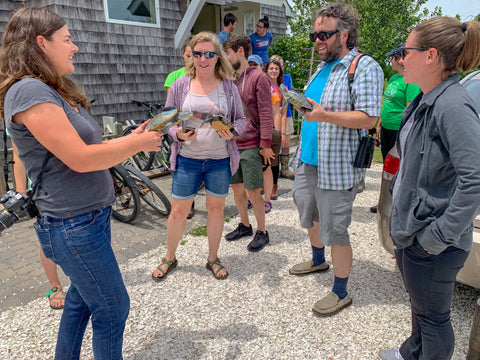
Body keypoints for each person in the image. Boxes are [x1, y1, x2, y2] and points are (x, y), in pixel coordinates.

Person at [0, 7, 164, 359]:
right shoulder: (28, 91)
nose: (74, 47)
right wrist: (137, 145)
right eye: (67, 39)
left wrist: (129, 139)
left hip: (87, 218)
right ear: (41, 44)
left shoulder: (47, 89)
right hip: (73, 224)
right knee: (113, 307)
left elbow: (89, 149)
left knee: (81, 299)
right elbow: (79, 158)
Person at [379, 17, 480, 360]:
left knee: (434, 320)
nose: (401, 58)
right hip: (415, 232)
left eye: (406, 51)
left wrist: (436, 238)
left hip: (434, 241)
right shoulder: (426, 99)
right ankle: (412, 353)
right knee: (420, 310)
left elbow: (475, 179)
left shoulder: (453, 105)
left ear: (431, 56)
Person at [288, 2, 384, 316]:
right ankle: (318, 260)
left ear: (344, 34)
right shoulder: (321, 67)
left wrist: (324, 114)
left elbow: (369, 118)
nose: (316, 40)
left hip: (337, 167)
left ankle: (340, 291)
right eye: (314, 34)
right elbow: (314, 112)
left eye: (324, 34)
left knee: (337, 229)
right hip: (309, 160)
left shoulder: (364, 66)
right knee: (309, 215)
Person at [151, 32, 246, 281]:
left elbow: (242, 120)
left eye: (209, 54)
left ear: (218, 57)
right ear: (191, 56)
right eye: (198, 54)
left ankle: (212, 258)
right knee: (178, 211)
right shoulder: (181, 84)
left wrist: (233, 132)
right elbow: (167, 119)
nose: (203, 59)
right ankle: (169, 257)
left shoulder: (228, 86)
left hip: (219, 160)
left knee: (216, 211)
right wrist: (177, 135)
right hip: (187, 159)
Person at [223, 34, 274, 252]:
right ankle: (245, 224)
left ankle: (262, 231)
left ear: (240, 50)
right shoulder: (230, 79)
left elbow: (265, 112)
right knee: (236, 188)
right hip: (233, 144)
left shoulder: (258, 77)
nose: (225, 57)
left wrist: (265, 144)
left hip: (252, 143)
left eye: (227, 53)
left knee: (254, 190)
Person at [11, 140, 65, 310]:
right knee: (47, 237)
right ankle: (54, 285)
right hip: (42, 185)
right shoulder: (14, 114)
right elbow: (18, 154)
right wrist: (21, 193)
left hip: (70, 181)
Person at [370, 43, 420, 213]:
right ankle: (384, 202)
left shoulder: (410, 82)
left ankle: (397, 205)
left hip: (399, 130)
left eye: (392, 58)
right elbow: (388, 104)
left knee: (398, 168)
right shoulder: (392, 79)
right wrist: (379, 125)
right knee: (386, 166)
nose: (390, 61)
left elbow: (410, 108)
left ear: (400, 59)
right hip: (386, 128)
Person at [264, 57, 286, 204]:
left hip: (276, 125)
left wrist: (281, 132)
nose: (273, 71)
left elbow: (283, 112)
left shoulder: (282, 89)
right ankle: (262, 184)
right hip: (264, 126)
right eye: (271, 68)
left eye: (276, 69)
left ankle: (273, 186)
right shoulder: (263, 85)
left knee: (274, 158)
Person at [269, 54, 295, 180]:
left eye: (280, 64)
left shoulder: (286, 78)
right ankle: (272, 170)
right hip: (272, 115)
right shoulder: (266, 80)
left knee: (285, 141)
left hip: (286, 113)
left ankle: (284, 168)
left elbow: (288, 94)